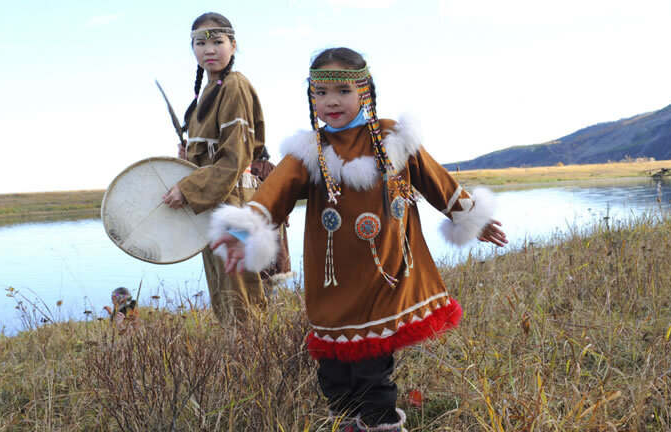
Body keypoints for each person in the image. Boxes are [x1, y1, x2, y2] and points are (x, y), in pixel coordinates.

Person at [208, 48, 507, 431]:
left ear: (364, 90)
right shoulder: (308, 152)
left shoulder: (392, 139)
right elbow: (272, 196)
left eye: (343, 90)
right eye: (320, 93)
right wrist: (240, 230)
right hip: (332, 282)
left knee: (371, 374)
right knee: (334, 375)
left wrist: (469, 216)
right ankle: (347, 423)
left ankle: (382, 424)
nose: (331, 101)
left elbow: (436, 180)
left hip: (384, 277)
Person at [161, 12, 267, 324]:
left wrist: (188, 188)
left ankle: (253, 360)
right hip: (215, 200)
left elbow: (234, 159)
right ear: (192, 48)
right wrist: (188, 157)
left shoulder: (234, 85)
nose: (209, 49)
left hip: (231, 199)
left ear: (233, 45)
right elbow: (211, 149)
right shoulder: (208, 91)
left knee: (239, 288)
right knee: (223, 285)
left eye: (217, 41)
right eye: (200, 43)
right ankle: (237, 357)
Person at [250, 147, 293, 285]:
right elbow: (284, 194)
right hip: (273, 223)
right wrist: (285, 218)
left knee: (260, 276)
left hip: (256, 224)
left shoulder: (247, 169)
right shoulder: (270, 167)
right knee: (274, 274)